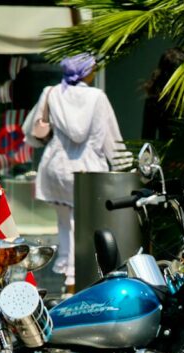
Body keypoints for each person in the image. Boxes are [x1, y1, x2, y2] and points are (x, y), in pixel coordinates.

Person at [22, 53, 128, 287]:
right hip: (87, 168)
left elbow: (31, 133)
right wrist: (126, 169)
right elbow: (112, 140)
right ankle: (83, 278)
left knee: (65, 225)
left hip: (56, 167)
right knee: (88, 225)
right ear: (86, 72)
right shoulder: (97, 97)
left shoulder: (51, 92)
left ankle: (68, 279)